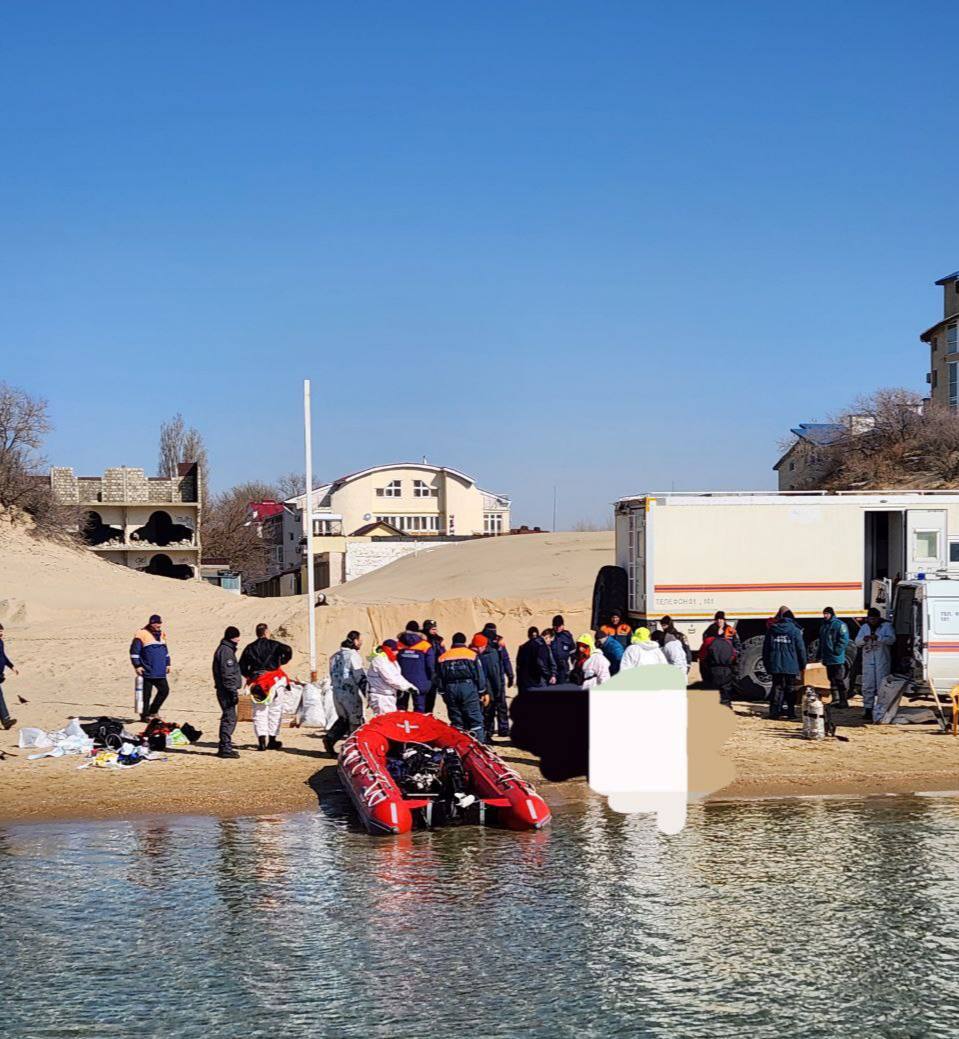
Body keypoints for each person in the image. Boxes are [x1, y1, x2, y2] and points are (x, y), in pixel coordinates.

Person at [240, 623, 293, 750]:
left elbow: (241, 666)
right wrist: (284, 660)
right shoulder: (275, 645)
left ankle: (261, 741)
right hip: (275, 681)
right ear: (266, 632)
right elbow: (288, 650)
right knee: (275, 710)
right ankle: (272, 739)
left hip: (257, 682)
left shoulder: (249, 647)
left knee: (259, 712)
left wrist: (251, 676)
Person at [435, 633, 487, 742]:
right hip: (468, 687)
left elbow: (439, 677)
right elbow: (479, 675)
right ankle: (479, 746)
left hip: (450, 688)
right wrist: (482, 691)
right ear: (464, 642)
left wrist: (443, 693)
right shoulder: (471, 655)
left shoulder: (443, 657)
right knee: (475, 719)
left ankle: (458, 745)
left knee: (456, 720)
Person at [325, 631, 367, 754]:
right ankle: (354, 750)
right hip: (349, 692)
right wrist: (366, 693)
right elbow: (359, 675)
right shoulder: (352, 655)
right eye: (360, 641)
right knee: (355, 720)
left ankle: (330, 739)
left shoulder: (335, 656)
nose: (361, 643)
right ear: (355, 641)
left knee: (343, 719)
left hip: (336, 692)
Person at [762, 607, 807, 721]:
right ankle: (791, 712)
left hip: (776, 664)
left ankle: (775, 712)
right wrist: (803, 665)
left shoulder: (772, 630)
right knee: (790, 688)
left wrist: (767, 665)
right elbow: (801, 649)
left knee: (777, 687)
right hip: (791, 665)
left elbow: (765, 649)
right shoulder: (795, 630)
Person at [855, 607, 896, 722]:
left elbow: (892, 640)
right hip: (868, 659)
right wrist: (865, 639)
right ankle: (868, 709)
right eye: (870, 619)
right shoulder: (864, 627)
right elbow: (857, 642)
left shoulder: (886, 626)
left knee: (881, 686)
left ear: (878, 618)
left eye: (874, 619)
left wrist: (879, 638)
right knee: (867, 685)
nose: (872, 621)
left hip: (881, 659)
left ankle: (881, 709)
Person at [130, 614, 171, 722]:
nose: (158, 625)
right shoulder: (141, 634)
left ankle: (153, 711)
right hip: (147, 670)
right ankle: (144, 716)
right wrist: (137, 665)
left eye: (159, 623)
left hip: (160, 670)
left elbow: (165, 651)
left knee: (164, 691)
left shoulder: (162, 634)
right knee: (146, 695)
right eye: (156, 623)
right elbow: (134, 652)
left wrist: (168, 664)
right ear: (151, 623)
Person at [212, 626, 242, 758]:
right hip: (226, 691)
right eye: (237, 637)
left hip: (224, 689)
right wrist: (232, 692)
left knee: (229, 717)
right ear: (233, 637)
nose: (239, 640)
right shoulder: (226, 652)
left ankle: (225, 746)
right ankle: (225, 748)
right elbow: (228, 674)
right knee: (229, 718)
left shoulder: (226, 649)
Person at [471, 633, 509, 741]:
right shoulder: (491, 655)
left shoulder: (472, 653)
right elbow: (494, 674)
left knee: (483, 713)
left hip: (476, 689)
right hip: (488, 689)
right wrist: (498, 690)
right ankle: (486, 736)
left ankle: (485, 735)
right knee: (488, 713)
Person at [366, 639, 413, 716]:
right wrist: (406, 688)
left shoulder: (391, 660)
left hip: (388, 696)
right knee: (384, 722)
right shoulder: (379, 660)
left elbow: (398, 676)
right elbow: (390, 678)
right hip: (381, 697)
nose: (397, 652)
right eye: (395, 650)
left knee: (390, 721)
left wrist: (408, 686)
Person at [396, 630, 436, 712]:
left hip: (402, 680)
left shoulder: (398, 644)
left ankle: (401, 723)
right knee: (419, 707)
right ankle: (418, 724)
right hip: (420, 680)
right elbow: (430, 664)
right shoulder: (425, 645)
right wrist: (432, 677)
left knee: (401, 706)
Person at [819, 607, 851, 709]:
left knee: (838, 679)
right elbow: (822, 642)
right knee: (831, 679)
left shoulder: (839, 624)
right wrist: (820, 655)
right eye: (824, 614)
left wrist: (837, 651)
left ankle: (843, 700)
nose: (825, 616)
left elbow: (844, 639)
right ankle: (835, 699)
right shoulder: (824, 626)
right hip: (827, 657)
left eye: (827, 614)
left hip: (836, 658)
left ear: (831, 614)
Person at [699, 628, 735, 706]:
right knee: (725, 693)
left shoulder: (708, 641)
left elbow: (702, 657)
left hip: (713, 670)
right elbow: (733, 655)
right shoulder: (728, 642)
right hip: (727, 670)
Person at [516, 626, 557, 691]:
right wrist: (549, 676)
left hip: (524, 681)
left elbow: (519, 665)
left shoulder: (525, 645)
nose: (550, 643)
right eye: (550, 640)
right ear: (547, 636)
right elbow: (541, 663)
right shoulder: (541, 646)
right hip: (536, 681)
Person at [421, 620, 446, 712]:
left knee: (431, 697)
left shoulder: (439, 640)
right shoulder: (421, 640)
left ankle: (429, 714)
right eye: (432, 629)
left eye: (435, 629)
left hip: (435, 672)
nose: (434, 631)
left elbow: (443, 655)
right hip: (423, 672)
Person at [0, 623, 19, 731]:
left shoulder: (1, 643)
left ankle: (6, 721)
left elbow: (3, 656)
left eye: (2, 631)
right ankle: (6, 721)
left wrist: (12, 667)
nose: (1, 633)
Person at [550, 615, 577, 682]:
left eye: (559, 626)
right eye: (555, 626)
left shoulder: (567, 636)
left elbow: (572, 652)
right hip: (552, 668)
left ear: (563, 625)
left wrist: (575, 664)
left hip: (564, 668)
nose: (558, 628)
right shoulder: (549, 635)